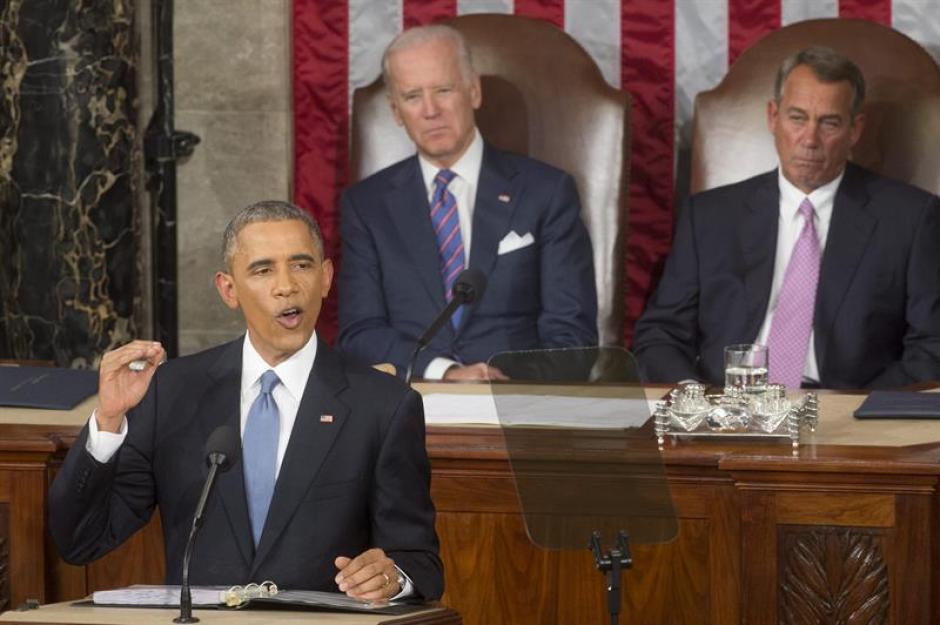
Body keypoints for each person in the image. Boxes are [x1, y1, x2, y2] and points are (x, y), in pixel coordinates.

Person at [49, 201, 443, 601]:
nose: (286, 285)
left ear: (325, 278)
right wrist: (109, 421)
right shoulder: (173, 392)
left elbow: (420, 561)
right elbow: (82, 541)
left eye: (302, 265)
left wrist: (393, 577)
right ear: (228, 289)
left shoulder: (383, 405)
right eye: (263, 269)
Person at [633, 46, 940, 389]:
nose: (809, 139)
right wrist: (696, 398)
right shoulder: (708, 217)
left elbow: (932, 345)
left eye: (829, 123)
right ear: (772, 117)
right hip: (726, 406)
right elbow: (660, 333)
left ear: (855, 130)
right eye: (797, 117)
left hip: (846, 415)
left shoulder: (910, 219)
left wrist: (863, 408)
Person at [338, 24, 598, 381]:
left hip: (515, 406)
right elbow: (360, 333)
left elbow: (572, 337)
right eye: (412, 96)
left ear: (473, 91)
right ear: (396, 111)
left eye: (443, 90)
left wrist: (503, 381)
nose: (430, 110)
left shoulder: (546, 192)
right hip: (410, 404)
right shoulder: (366, 206)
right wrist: (444, 372)